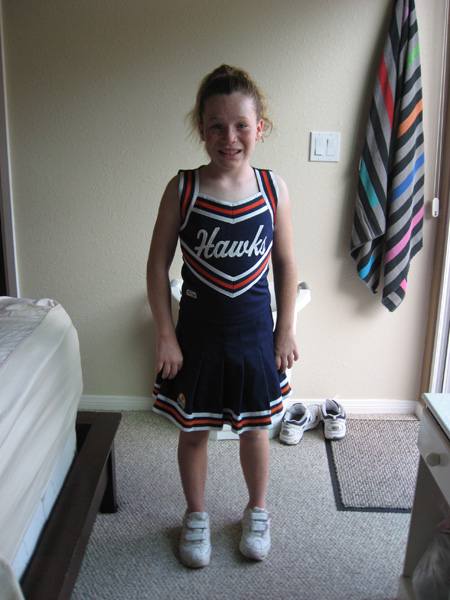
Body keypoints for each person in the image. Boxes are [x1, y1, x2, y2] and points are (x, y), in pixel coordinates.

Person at [146, 64, 298, 568]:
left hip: (255, 335)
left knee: (256, 429)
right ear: (201, 128)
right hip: (198, 336)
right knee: (194, 431)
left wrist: (285, 329)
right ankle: (196, 514)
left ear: (260, 128)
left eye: (240, 126)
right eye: (216, 126)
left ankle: (257, 509)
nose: (229, 137)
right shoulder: (183, 188)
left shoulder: (273, 189)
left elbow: (286, 263)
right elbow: (156, 265)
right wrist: (165, 336)